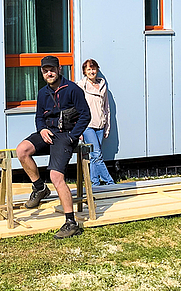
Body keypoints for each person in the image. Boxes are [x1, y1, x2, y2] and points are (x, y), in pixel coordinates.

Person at [15, 55, 91, 239]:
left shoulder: (72, 89)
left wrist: (73, 136)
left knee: (56, 176)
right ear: (42, 72)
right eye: (45, 70)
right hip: (47, 133)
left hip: (66, 135)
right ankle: (40, 188)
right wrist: (41, 130)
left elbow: (85, 115)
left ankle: (71, 222)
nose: (49, 73)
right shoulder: (42, 93)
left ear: (59, 70)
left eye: (52, 69)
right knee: (21, 150)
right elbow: (39, 117)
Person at [77, 59, 115, 186]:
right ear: (84, 72)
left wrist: (107, 127)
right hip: (87, 126)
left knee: (94, 156)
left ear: (97, 69)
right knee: (97, 154)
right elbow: (76, 109)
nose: (91, 71)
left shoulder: (103, 86)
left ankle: (95, 184)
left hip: (100, 125)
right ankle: (110, 182)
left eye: (93, 69)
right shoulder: (81, 86)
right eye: (88, 69)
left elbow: (107, 107)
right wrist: (78, 130)